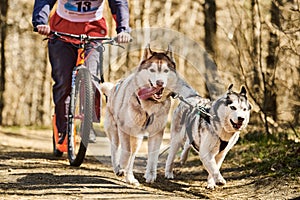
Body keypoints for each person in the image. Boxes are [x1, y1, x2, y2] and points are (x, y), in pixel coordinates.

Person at [32, 0, 131, 143]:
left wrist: (123, 30)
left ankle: (88, 125)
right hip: (61, 33)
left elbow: (119, 4)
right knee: (63, 83)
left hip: (94, 33)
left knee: (91, 79)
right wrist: (40, 22)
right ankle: (63, 128)